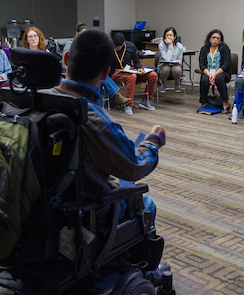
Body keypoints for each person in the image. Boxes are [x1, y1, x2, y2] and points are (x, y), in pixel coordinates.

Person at [55, 28, 163, 221]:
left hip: (44, 204)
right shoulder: (95, 121)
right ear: (106, 73)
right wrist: (153, 140)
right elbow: (134, 166)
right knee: (147, 204)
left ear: (66, 59)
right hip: (82, 210)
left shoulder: (38, 100)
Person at [110, 32, 157, 115]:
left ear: (123, 43)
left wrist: (140, 68)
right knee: (132, 76)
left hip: (130, 71)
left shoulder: (131, 46)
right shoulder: (109, 48)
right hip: (116, 72)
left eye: (117, 47)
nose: (116, 48)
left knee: (153, 75)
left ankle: (145, 100)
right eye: (114, 46)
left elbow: (137, 61)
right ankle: (128, 104)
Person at [198, 29, 232, 113]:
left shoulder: (224, 48)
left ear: (221, 40)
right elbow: (202, 65)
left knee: (219, 78)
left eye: (218, 38)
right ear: (209, 38)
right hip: (208, 72)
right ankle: (204, 102)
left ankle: (225, 102)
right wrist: (210, 75)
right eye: (213, 37)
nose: (215, 40)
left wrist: (215, 75)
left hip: (222, 72)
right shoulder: (204, 49)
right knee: (204, 80)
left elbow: (226, 64)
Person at [157, 27, 184, 93]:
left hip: (175, 66)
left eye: (171, 35)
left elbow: (180, 61)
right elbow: (167, 59)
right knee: (166, 68)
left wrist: (178, 61)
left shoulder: (179, 46)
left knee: (177, 69)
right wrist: (170, 45)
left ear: (175, 37)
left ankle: (177, 85)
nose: (169, 37)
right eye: (167, 35)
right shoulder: (161, 45)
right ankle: (163, 85)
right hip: (163, 66)